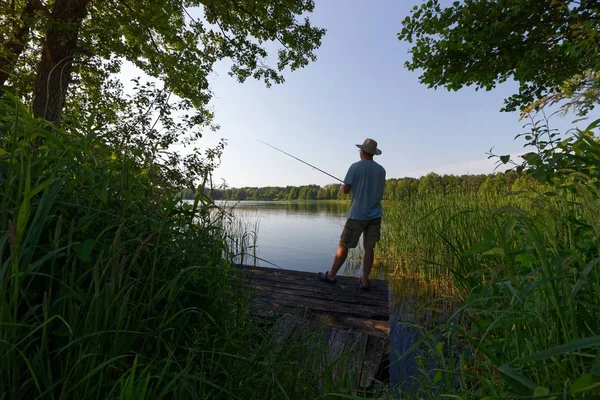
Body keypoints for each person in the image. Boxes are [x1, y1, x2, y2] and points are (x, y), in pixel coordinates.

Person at [317, 138, 386, 290]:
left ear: (362, 152)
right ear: (373, 153)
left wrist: (342, 187)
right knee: (369, 247)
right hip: (375, 215)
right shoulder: (381, 170)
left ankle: (331, 275)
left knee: (344, 245)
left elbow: (346, 189)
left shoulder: (355, 167)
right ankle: (365, 281)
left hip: (357, 215)